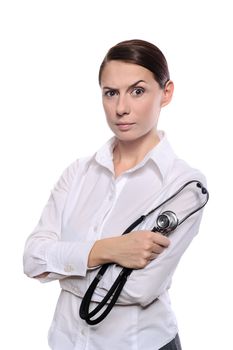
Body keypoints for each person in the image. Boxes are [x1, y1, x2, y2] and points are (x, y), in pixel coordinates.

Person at [23, 39, 207, 350]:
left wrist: (61, 268)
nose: (121, 108)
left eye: (137, 91)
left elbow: (138, 289)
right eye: (111, 93)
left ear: (166, 93)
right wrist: (107, 250)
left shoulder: (184, 186)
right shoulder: (78, 172)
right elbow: (31, 258)